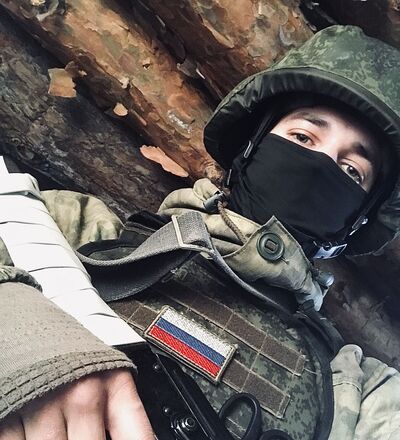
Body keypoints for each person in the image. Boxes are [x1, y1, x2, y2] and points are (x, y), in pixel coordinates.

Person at [1, 24, 400, 440]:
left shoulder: (358, 390)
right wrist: (28, 340)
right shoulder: (81, 229)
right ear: (251, 147)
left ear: (357, 221)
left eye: (351, 171)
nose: (319, 167)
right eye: (302, 136)